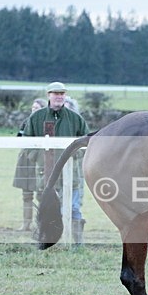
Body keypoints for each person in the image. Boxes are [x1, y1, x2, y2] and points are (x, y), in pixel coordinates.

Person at [22, 82, 89, 245]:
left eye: (62, 94)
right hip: (46, 174)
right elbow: (26, 143)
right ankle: (48, 241)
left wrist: (74, 156)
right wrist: (38, 157)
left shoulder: (75, 119)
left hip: (71, 174)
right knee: (48, 210)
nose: (59, 96)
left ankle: (77, 243)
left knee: (73, 209)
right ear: (49, 95)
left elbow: (87, 142)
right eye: (55, 93)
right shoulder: (36, 118)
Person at [12, 98, 46, 231]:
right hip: (25, 160)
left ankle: (40, 224)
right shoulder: (25, 123)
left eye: (37, 108)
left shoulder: (45, 124)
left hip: (39, 161)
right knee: (26, 194)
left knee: (41, 194)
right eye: (32, 108)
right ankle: (26, 223)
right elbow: (19, 140)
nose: (33, 110)